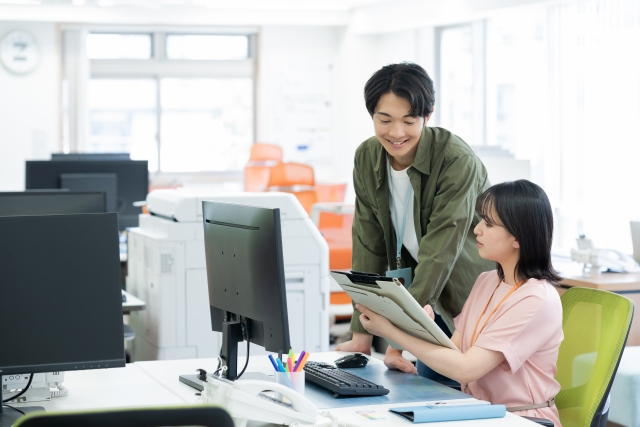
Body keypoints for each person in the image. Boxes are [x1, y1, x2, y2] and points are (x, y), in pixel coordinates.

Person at [356, 180, 564, 426]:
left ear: (518, 237)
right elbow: (455, 352)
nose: (477, 230)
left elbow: (466, 369)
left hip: (521, 419)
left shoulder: (536, 298)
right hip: (477, 411)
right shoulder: (487, 281)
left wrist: (389, 331)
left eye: (488, 223)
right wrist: (422, 327)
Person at [336, 62, 493, 384]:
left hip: (465, 297)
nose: (396, 133)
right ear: (371, 115)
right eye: (385, 120)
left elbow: (440, 251)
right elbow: (368, 245)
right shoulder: (367, 156)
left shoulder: (456, 161)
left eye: (409, 121)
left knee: (455, 392)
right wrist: (360, 334)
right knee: (421, 392)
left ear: (428, 115)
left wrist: (397, 341)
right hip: (418, 297)